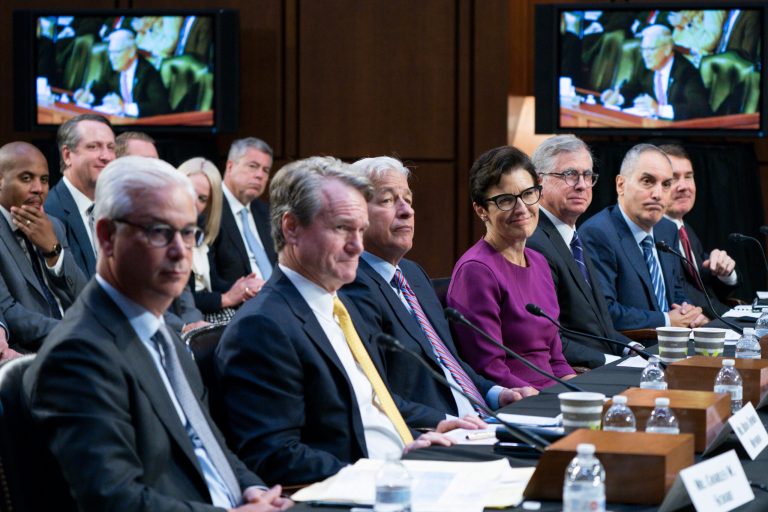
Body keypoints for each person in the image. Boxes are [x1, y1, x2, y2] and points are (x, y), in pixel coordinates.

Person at [24, 156, 292, 512]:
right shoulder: (78, 354)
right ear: (107, 237)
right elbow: (114, 501)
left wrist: (253, 490)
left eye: (187, 233)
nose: (181, 252)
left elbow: (211, 446)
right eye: (160, 232)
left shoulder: (166, 336)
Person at [215, 156, 480, 486]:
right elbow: (274, 456)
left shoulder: (341, 307)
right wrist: (386, 469)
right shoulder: (263, 326)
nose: (357, 246)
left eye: (360, 230)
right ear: (291, 228)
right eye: (342, 228)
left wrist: (416, 439)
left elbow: (367, 406)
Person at [343, 156, 534, 417]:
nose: (407, 211)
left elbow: (448, 362)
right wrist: (446, 422)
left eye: (408, 200)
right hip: (437, 432)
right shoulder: (350, 287)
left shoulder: (413, 273)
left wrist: (496, 394)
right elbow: (377, 397)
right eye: (388, 200)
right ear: (355, 214)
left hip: (483, 420)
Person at [447, 146, 576, 391]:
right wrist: (547, 398)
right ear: (481, 210)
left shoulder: (538, 262)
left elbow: (556, 357)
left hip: (552, 393)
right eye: (506, 200)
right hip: (518, 401)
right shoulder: (476, 271)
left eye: (528, 194)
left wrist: (579, 390)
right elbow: (489, 369)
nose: (521, 209)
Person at [528, 135, 636, 369]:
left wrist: (632, 348)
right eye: (569, 174)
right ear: (539, 182)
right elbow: (550, 338)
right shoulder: (534, 243)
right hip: (581, 373)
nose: (582, 185)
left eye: (587, 175)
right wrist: (612, 361)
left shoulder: (573, 238)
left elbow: (599, 326)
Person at [580, 143, 706, 331]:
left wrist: (689, 313)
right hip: (635, 349)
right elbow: (605, 311)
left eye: (666, 184)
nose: (657, 194)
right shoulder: (598, 233)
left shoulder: (667, 229)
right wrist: (666, 321)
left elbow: (677, 292)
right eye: (647, 181)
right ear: (621, 185)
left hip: (678, 341)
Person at [0, 142, 88, 352]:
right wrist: (75, 333)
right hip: (28, 355)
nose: (38, 189)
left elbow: (83, 295)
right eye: (26, 178)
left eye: (44, 180)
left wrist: (53, 251)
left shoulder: (54, 225)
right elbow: (9, 312)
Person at [177, 157, 263, 322]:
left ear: (209, 206)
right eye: (189, 192)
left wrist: (242, 287)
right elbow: (178, 300)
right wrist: (226, 298)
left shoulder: (202, 236)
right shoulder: (164, 238)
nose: (193, 202)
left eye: (202, 199)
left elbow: (213, 284)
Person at [660, 143, 738, 317]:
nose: (684, 186)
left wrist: (725, 272)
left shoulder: (685, 229)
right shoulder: (656, 235)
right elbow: (685, 294)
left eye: (688, 177)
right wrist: (732, 318)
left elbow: (707, 291)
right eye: (673, 178)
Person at [46, 114, 116, 278]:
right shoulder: (50, 212)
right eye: (93, 147)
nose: (106, 156)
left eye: (111, 147)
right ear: (67, 155)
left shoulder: (119, 208)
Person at [208, 137, 276, 298]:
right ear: (230, 166)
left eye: (266, 170)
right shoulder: (211, 209)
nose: (260, 175)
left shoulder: (266, 213)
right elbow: (208, 282)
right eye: (253, 166)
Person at [600, 24, 711, 120]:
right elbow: (633, 87)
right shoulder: (645, 65)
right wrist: (617, 98)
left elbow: (699, 108)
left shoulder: (686, 72)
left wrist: (659, 110)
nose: (645, 55)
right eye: (643, 49)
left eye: (651, 49)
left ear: (667, 49)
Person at [74, 29, 170, 117]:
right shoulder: (113, 68)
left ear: (131, 52)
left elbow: (160, 106)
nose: (112, 57)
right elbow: (100, 88)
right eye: (110, 52)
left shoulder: (147, 72)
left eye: (117, 52)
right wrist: (88, 97)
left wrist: (125, 107)